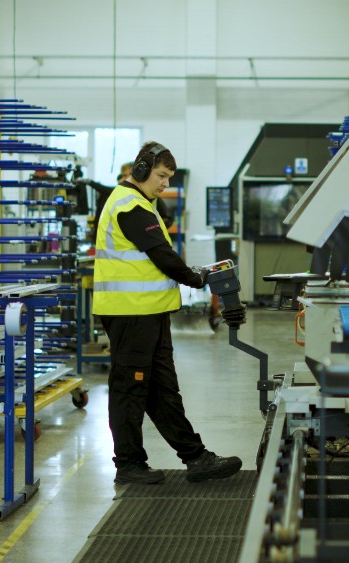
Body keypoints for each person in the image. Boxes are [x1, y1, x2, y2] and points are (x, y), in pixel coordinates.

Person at [92, 141, 245, 485]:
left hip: (150, 313)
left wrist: (193, 273)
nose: (166, 184)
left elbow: (156, 250)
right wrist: (194, 277)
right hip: (130, 314)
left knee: (163, 389)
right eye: (162, 176)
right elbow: (161, 254)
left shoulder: (143, 203)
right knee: (130, 389)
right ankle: (128, 464)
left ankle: (196, 458)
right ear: (142, 171)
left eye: (169, 177)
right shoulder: (129, 205)